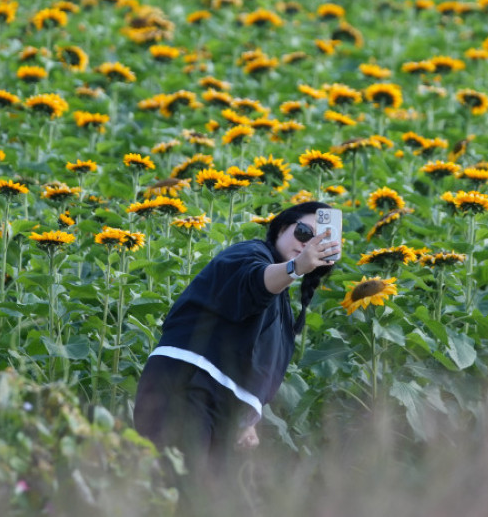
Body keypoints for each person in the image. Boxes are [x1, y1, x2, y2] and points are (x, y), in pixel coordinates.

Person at [133, 200, 341, 495]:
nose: (308, 244)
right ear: (282, 228)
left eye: (321, 240)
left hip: (218, 409)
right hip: (185, 388)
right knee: (176, 495)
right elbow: (254, 282)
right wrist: (296, 268)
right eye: (303, 232)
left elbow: (255, 365)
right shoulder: (249, 254)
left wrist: (248, 418)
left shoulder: (281, 302)